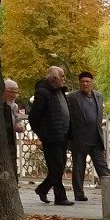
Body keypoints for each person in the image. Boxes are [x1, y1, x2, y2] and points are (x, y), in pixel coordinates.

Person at [29, 65, 73, 205]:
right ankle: (60, 197)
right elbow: (34, 116)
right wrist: (42, 134)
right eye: (62, 76)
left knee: (59, 166)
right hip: (51, 137)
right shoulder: (43, 92)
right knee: (56, 167)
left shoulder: (59, 91)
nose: (64, 79)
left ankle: (42, 189)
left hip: (62, 135)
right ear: (54, 78)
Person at [67, 70, 110, 202]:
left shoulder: (98, 96)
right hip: (79, 138)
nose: (85, 84)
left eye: (88, 82)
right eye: (83, 82)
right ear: (79, 83)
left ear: (92, 83)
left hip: (96, 138)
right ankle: (79, 193)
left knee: (102, 166)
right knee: (79, 167)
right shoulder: (72, 97)